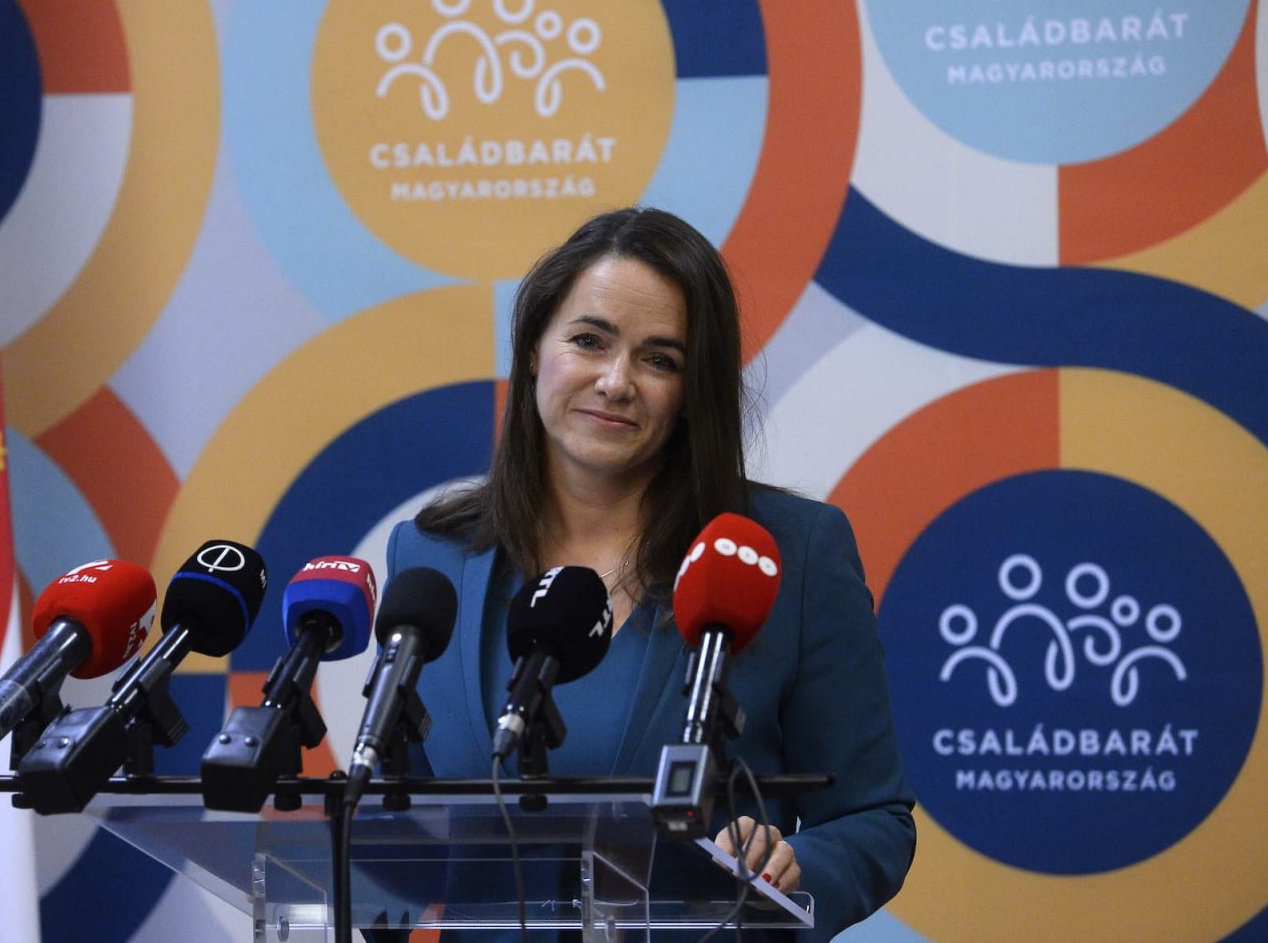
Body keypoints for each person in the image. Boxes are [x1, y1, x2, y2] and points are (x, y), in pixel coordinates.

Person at [385, 206, 915, 937]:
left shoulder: (790, 555)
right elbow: (398, 816)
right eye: (589, 341)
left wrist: (789, 869)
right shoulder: (432, 556)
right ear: (534, 348)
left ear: (693, 390)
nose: (615, 382)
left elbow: (872, 819)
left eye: (659, 360)